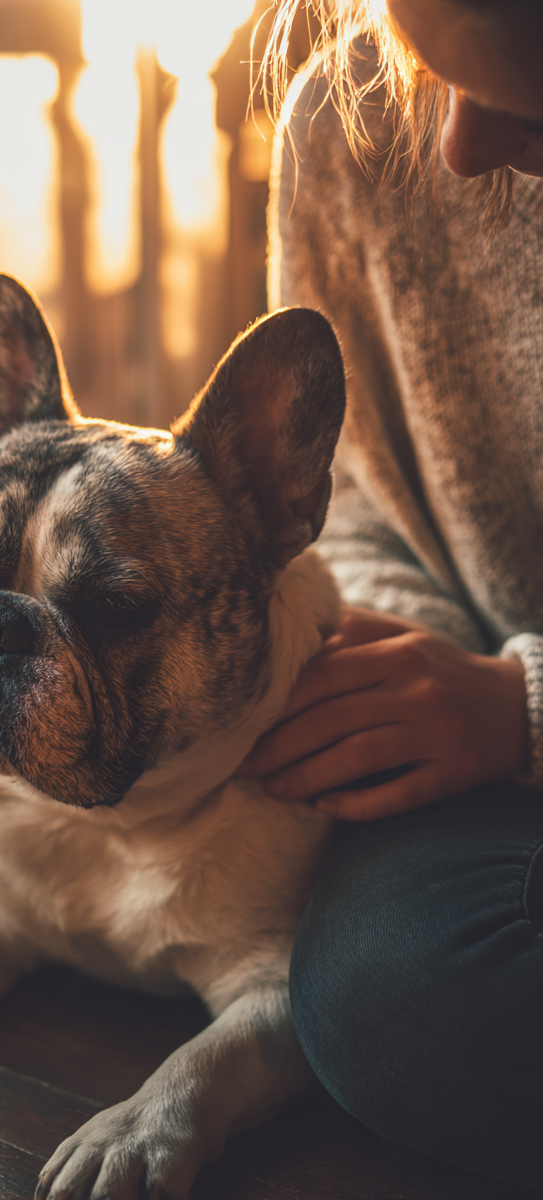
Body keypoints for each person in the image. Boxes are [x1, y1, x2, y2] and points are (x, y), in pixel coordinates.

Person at [236, 0, 543, 1187]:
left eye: (520, 92)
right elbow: (354, 496)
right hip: (488, 743)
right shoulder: (344, 119)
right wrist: (413, 690)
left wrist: (518, 709)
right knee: (392, 1000)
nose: (456, 145)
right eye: (427, 62)